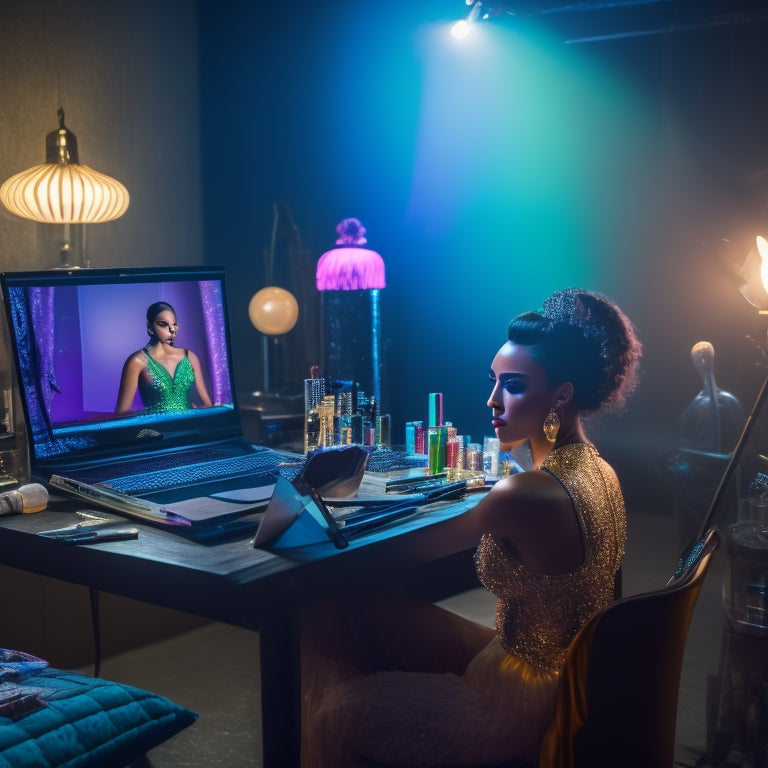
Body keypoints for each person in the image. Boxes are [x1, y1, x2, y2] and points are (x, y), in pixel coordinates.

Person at [300, 288, 642, 767]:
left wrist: (322, 497)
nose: (493, 400)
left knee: (334, 715)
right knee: (340, 621)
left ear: (560, 395)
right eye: (494, 380)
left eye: (514, 385)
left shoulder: (524, 494)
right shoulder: (599, 469)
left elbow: (399, 553)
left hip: (520, 701)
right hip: (562, 672)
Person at [115, 301, 213, 416]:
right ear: (150, 326)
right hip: (156, 430)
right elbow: (120, 415)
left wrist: (193, 413)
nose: (172, 329)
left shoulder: (190, 357)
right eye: (163, 324)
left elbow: (207, 405)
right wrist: (152, 415)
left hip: (188, 427)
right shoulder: (137, 361)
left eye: (174, 324)